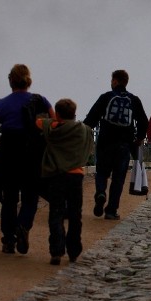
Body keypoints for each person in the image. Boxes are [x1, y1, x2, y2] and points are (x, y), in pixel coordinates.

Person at [0, 64, 54, 255]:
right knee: (31, 195)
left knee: (9, 198)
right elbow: (55, 125)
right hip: (32, 153)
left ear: (10, 81)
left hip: (8, 152)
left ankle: (8, 240)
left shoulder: (2, 104)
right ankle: (23, 225)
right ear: (28, 80)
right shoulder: (41, 101)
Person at [83, 69, 149, 220]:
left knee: (101, 172)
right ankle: (111, 210)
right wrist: (139, 137)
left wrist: (83, 133)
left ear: (115, 81)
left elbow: (91, 119)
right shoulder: (134, 99)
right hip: (124, 145)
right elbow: (144, 121)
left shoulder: (106, 97)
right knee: (118, 178)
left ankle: (100, 192)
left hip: (105, 142)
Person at [37, 98, 94, 265]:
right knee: (75, 215)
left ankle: (56, 250)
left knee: (56, 212)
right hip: (76, 176)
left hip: (56, 176)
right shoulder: (83, 130)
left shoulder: (52, 128)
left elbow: (38, 123)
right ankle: (74, 250)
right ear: (74, 114)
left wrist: (52, 118)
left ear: (58, 114)